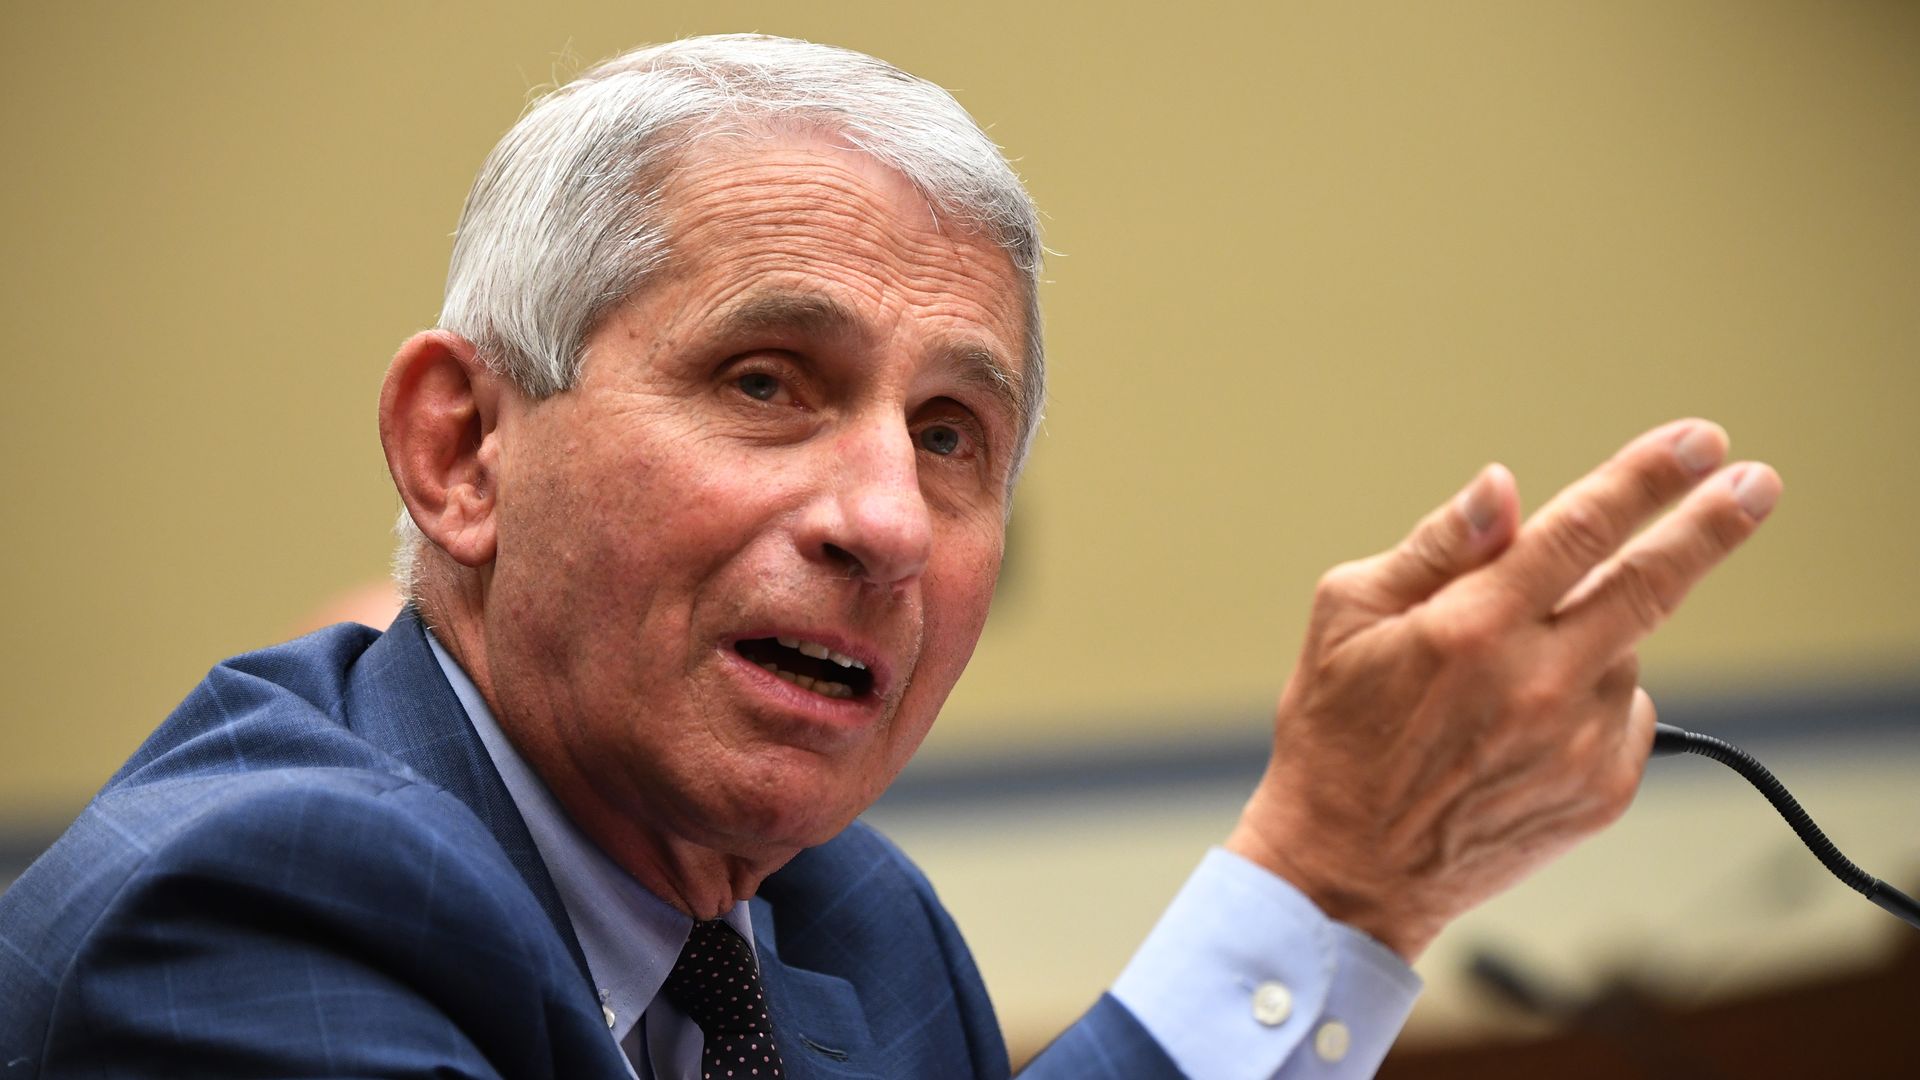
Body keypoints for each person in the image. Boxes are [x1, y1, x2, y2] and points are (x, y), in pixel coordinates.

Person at [0, 34, 1779, 1079]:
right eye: (767, 382)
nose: (885, 522)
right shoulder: (249, 909)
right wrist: (1319, 887)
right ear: (464, 450)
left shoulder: (846, 931)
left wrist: (1357, 901)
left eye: (951, 436)